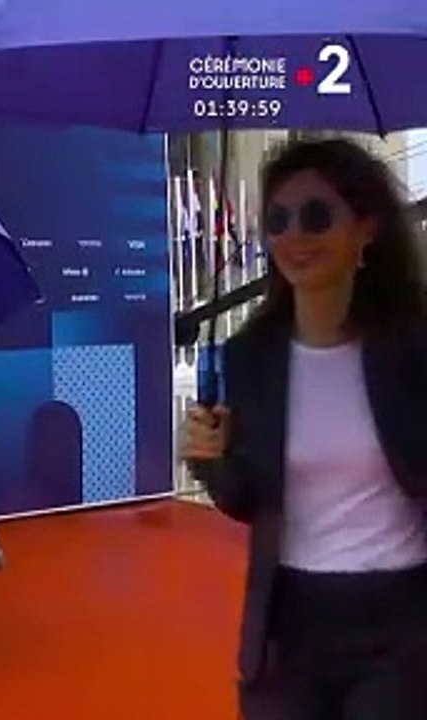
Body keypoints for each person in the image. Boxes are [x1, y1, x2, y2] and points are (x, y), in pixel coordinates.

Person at [182, 138, 427, 719]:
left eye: (317, 216)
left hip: (402, 624)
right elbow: (245, 499)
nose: (294, 236)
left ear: (366, 229)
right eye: (278, 220)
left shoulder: (414, 349)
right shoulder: (249, 358)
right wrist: (211, 459)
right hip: (287, 623)